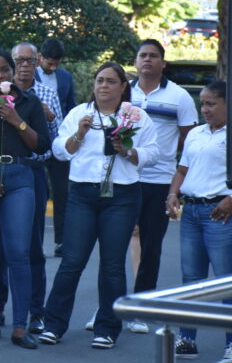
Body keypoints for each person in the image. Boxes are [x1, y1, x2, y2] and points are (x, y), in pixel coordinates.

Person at [39, 62, 158, 350]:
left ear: (122, 87)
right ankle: (53, 324)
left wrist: (127, 151)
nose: (103, 86)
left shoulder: (137, 116)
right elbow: (59, 151)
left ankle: (107, 328)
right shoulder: (80, 113)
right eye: (99, 80)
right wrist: (79, 134)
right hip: (82, 194)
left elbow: (153, 153)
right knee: (72, 262)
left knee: (113, 265)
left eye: (110, 81)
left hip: (122, 196)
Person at [0, 49, 51, 350]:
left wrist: (17, 119)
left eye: (4, 69)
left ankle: (21, 326)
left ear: (12, 69)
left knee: (19, 251)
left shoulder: (29, 101)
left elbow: (41, 145)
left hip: (21, 176)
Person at [125, 39, 196, 335]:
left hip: (159, 179)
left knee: (151, 246)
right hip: (124, 176)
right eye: (143, 55)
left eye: (154, 56)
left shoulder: (179, 97)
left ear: (163, 63)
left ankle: (141, 307)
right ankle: (109, 307)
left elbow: (189, 139)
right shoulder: (123, 90)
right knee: (116, 242)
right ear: (136, 60)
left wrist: (167, 161)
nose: (148, 60)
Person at [167, 80, 232, 362]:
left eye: (210, 104)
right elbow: (182, 170)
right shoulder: (195, 134)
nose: (204, 109)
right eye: (202, 103)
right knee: (191, 281)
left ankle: (231, 344)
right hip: (191, 212)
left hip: (220, 212)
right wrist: (172, 193)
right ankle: (187, 339)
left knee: (224, 282)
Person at [8, 42, 61, 335]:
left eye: (30, 60)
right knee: (0, 247)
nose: (25, 65)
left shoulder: (47, 94)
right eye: (19, 60)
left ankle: (35, 313)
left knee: (32, 247)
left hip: (33, 171)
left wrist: (48, 117)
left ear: (38, 62)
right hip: (2, 170)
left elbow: (58, 141)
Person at [35, 37, 76, 257]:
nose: (53, 67)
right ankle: (36, 243)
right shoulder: (27, 76)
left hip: (60, 141)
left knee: (62, 193)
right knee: (38, 194)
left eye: (56, 64)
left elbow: (71, 106)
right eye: (49, 63)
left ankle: (61, 241)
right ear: (40, 56)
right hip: (36, 141)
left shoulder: (66, 77)